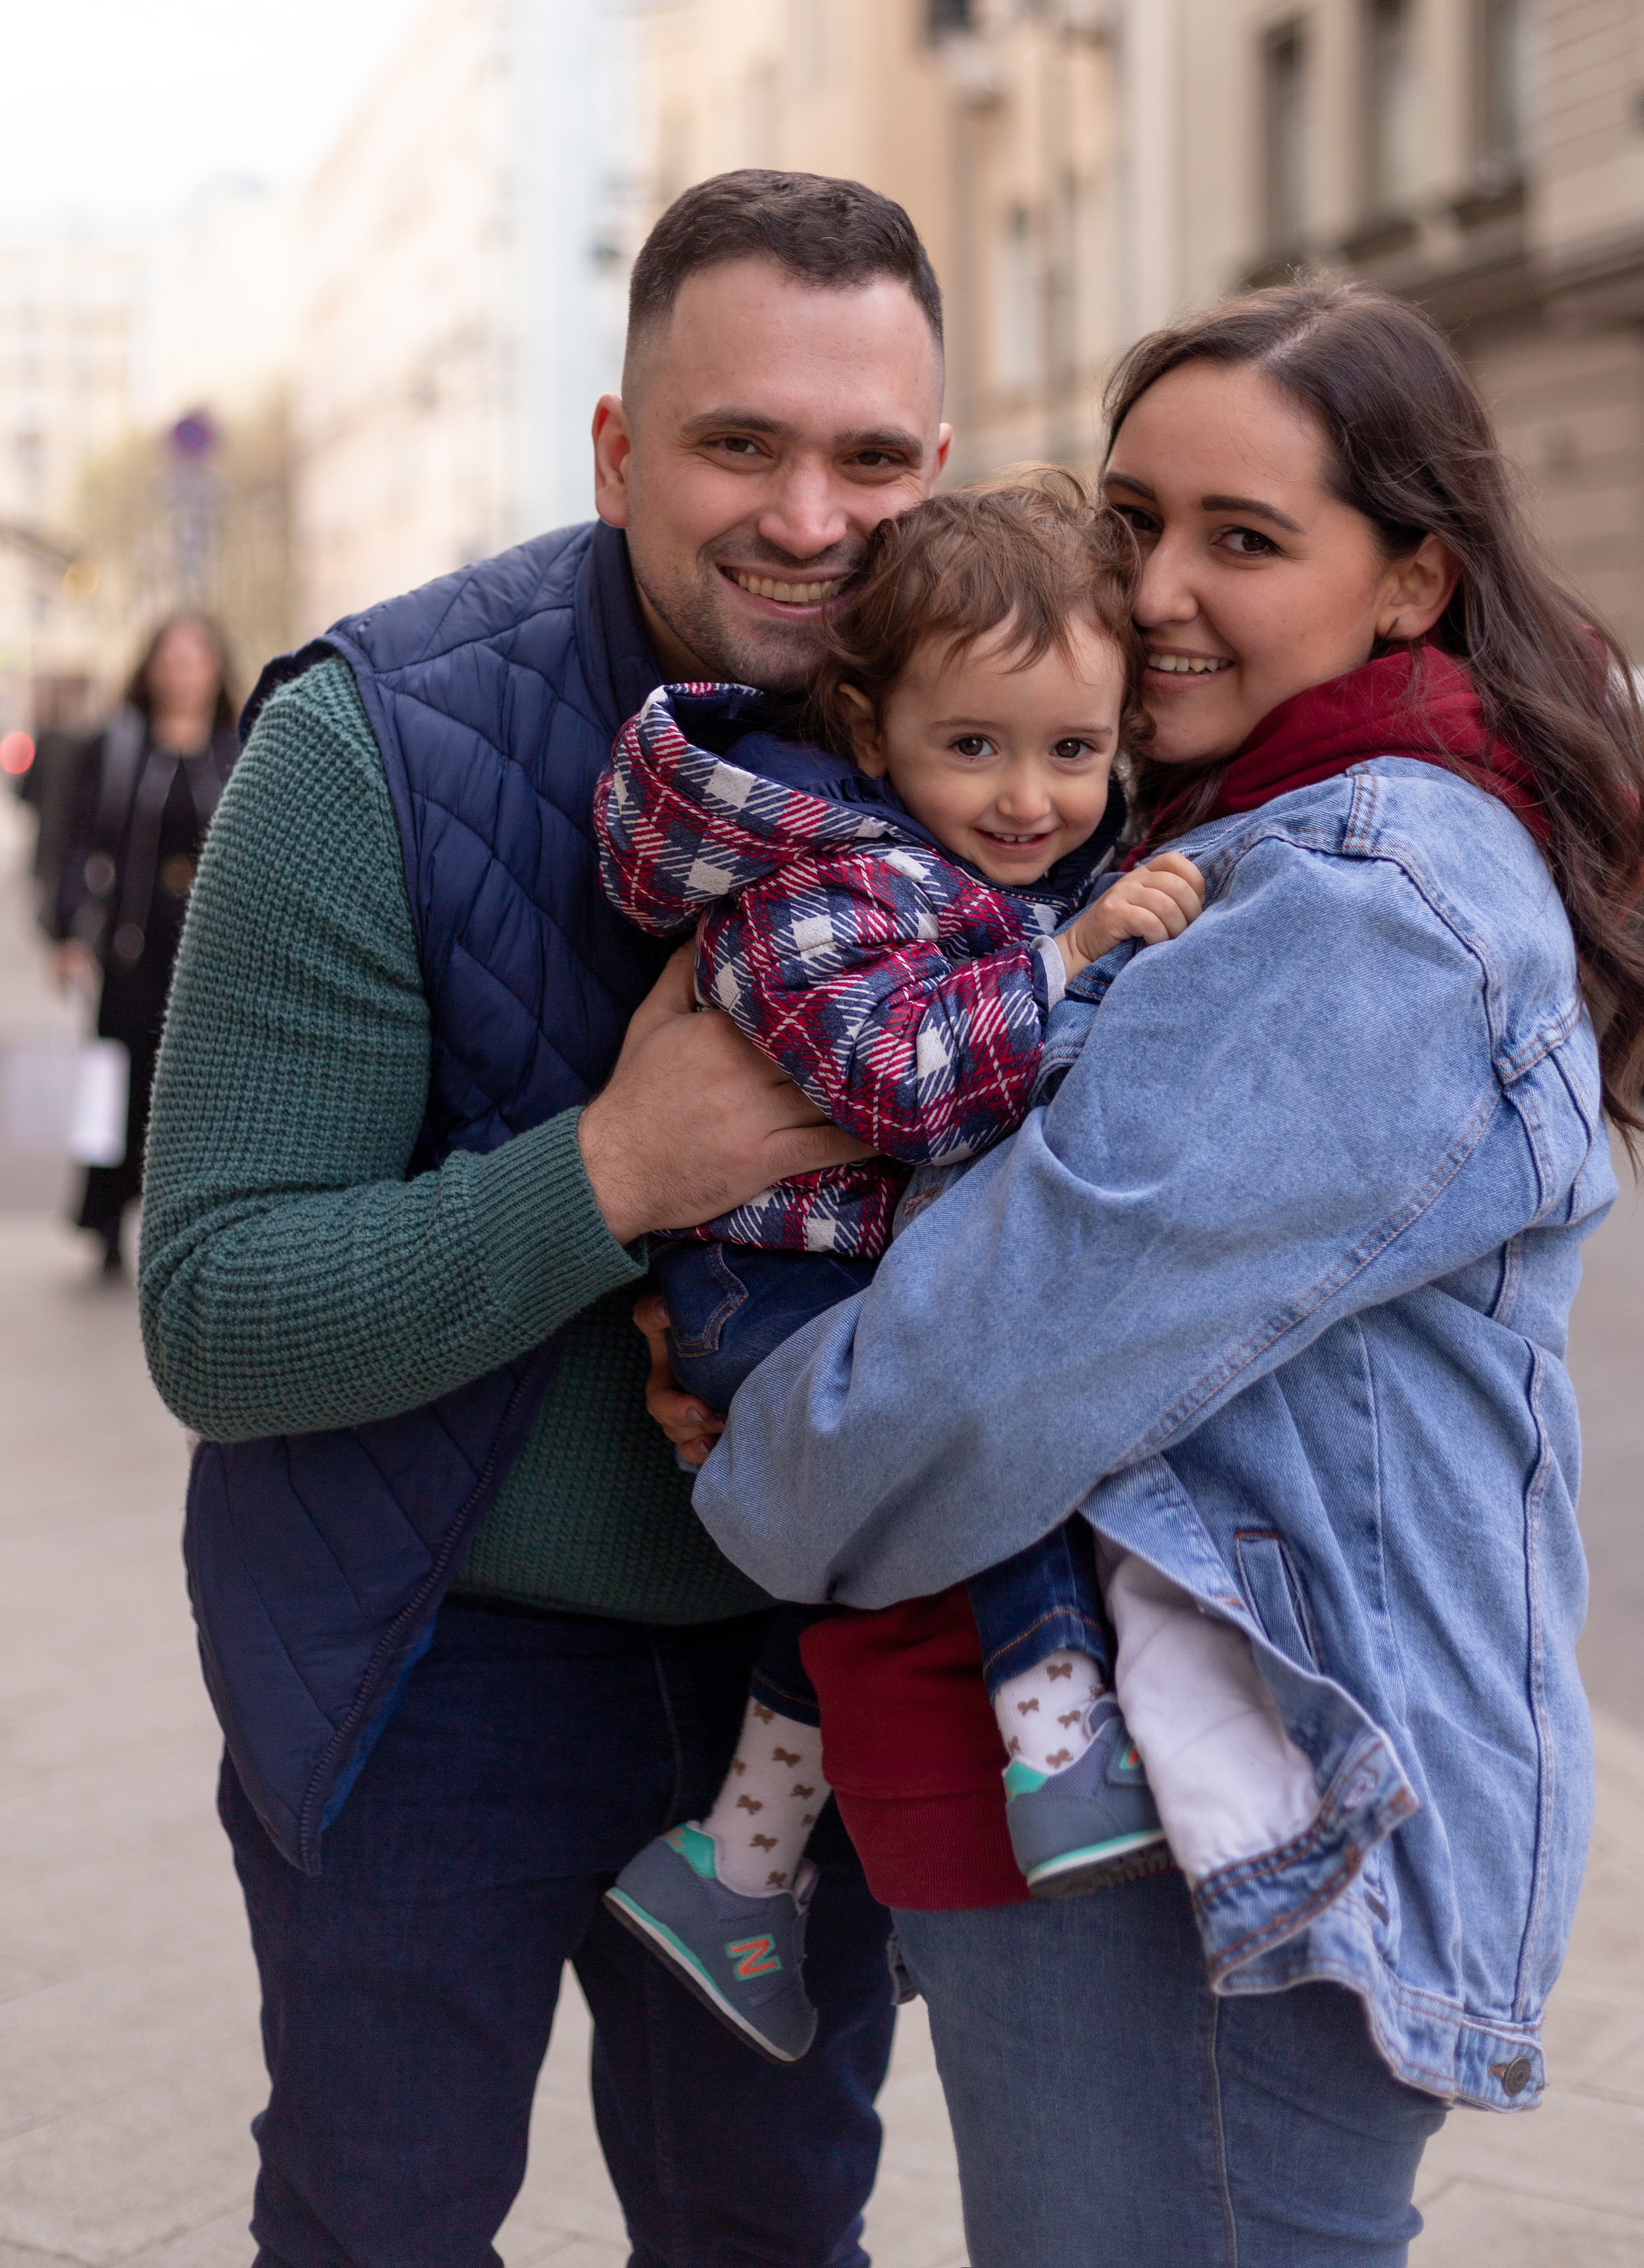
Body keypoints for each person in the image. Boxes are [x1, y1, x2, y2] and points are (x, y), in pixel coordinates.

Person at [658, 284, 1644, 2267]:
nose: (1162, 589)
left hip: (1232, 1855)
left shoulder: (1366, 903)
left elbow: (985, 1376)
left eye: (1247, 537)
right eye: (1132, 522)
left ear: (1411, 586)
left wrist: (745, 1458)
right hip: (1164, 1829)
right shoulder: (1226, 835)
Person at [137, 171, 979, 2268]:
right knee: (380, 2224)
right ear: (617, 450)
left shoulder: (1003, 743)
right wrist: (619, 1170)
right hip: (439, 1649)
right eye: (738, 443)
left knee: (771, 2228)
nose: (809, 513)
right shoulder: (370, 742)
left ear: (936, 467)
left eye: (869, 455)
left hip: (807, 1666)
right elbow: (218, 1312)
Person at [599, 481, 1203, 2061]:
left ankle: (733, 1871)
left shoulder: (984, 870)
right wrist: (1070, 963)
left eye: (1072, 752)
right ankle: (1054, 1739)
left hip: (841, 1275)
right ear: (872, 733)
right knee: (969, 1428)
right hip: (763, 1291)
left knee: (860, 1559)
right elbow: (901, 1081)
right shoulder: (826, 884)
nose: (1028, 800)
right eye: (976, 748)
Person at [50, 615, 238, 1271]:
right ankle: (104, 1218)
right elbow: (76, 843)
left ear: (217, 669)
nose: (184, 669)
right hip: (133, 945)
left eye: (197, 656)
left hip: (211, 948)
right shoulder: (117, 746)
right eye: (172, 657)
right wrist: (70, 930)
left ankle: (191, 1227)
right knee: (117, 1083)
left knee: (199, 1091)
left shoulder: (240, 746)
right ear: (149, 668)